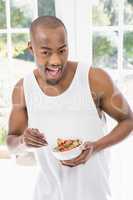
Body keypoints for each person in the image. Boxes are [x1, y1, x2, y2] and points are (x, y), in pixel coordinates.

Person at [6, 16, 133, 200]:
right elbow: (11, 144)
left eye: (62, 50)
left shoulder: (94, 79)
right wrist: (23, 142)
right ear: (31, 48)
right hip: (46, 195)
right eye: (46, 52)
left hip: (94, 195)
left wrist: (96, 147)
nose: (56, 60)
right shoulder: (23, 89)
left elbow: (128, 120)